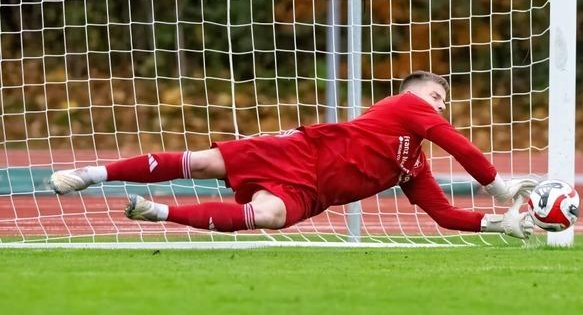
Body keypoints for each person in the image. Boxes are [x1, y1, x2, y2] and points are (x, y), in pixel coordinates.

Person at [50, 71, 537, 239]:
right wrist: (495, 183)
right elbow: (459, 143)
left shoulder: (413, 163)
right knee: (202, 161)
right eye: (435, 97)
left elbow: (444, 214)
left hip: (312, 192)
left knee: (268, 215)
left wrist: (499, 223)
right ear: (413, 94)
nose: (439, 106)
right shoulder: (403, 106)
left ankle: (159, 213)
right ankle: (92, 173)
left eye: (442, 102)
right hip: (299, 151)